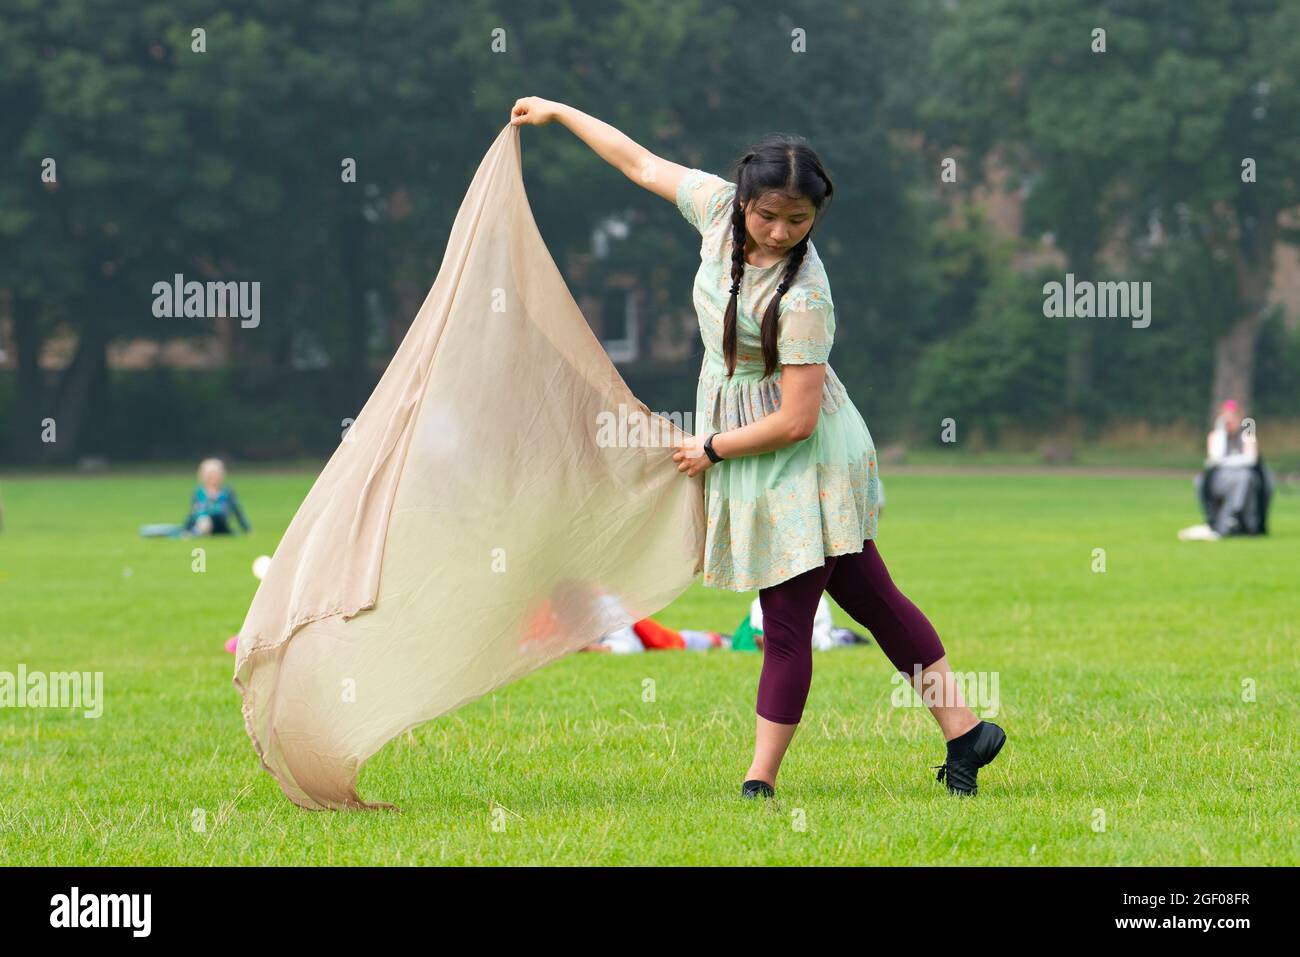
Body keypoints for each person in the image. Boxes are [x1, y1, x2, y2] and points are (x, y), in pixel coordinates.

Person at [510, 97, 1006, 798]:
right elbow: (639, 162)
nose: (778, 231)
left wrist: (712, 447)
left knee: (786, 619)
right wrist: (561, 114)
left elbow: (798, 420)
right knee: (872, 594)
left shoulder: (806, 294)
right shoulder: (714, 211)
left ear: (816, 217)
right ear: (742, 198)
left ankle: (759, 781)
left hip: (802, 453)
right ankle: (966, 732)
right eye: (766, 214)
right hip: (751, 442)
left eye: (797, 221)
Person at [1188, 400, 1273, 539]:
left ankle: (1237, 517)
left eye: (1233, 418)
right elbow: (1216, 458)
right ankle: (1224, 521)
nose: (1230, 422)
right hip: (1221, 479)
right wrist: (1221, 429)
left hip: (1245, 477)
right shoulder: (1216, 436)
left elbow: (1251, 459)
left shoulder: (1247, 433)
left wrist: (1228, 461)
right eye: (1226, 418)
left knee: (1244, 478)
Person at [183, 458, 252, 536]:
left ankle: (196, 532)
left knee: (210, 520)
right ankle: (195, 532)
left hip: (221, 524)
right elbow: (193, 513)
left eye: (217, 474)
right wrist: (186, 529)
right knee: (204, 521)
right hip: (202, 522)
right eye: (211, 475)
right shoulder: (199, 493)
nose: (214, 477)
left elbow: (237, 511)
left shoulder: (227, 492)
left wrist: (247, 529)